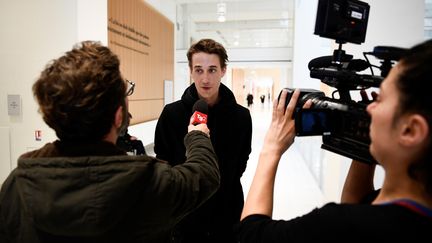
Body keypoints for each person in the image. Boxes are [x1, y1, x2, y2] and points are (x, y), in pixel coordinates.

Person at [0, 41, 220, 243]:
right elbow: (205, 173)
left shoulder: (17, 185)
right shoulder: (150, 184)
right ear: (117, 117)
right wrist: (197, 134)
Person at [237, 39, 432, 242]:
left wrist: (271, 148)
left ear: (411, 131)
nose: (370, 109)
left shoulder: (340, 225)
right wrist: (367, 138)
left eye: (380, 99)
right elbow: (357, 202)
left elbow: (251, 234)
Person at [154, 38, 252, 243]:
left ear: (224, 70)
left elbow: (241, 161)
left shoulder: (241, 116)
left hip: (228, 212)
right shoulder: (171, 114)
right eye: (199, 70)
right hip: (184, 215)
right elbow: (163, 160)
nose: (205, 78)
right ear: (190, 71)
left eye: (212, 70)